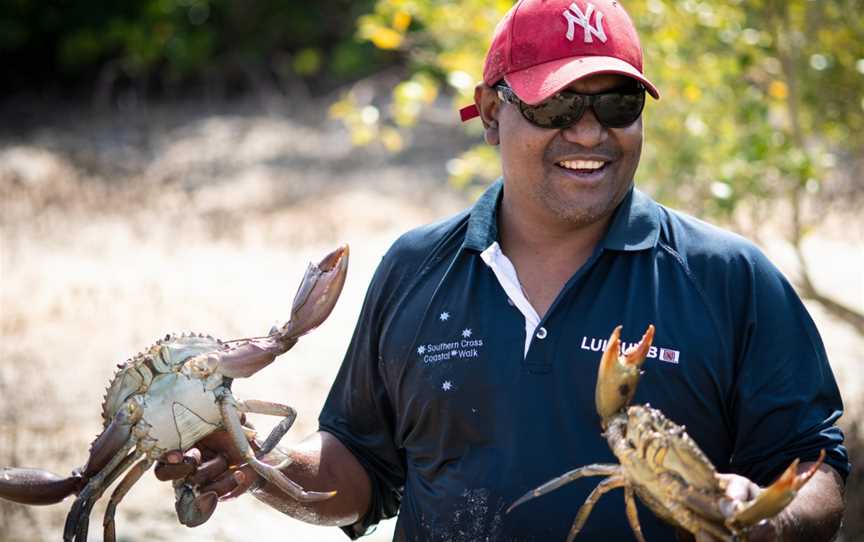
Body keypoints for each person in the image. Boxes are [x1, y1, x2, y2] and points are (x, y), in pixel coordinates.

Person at [155, 0, 850, 540]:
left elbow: (815, 466)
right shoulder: (416, 268)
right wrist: (258, 466)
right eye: (556, 105)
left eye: (618, 103)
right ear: (491, 115)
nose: (589, 132)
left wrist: (775, 522)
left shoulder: (729, 278)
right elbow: (360, 465)